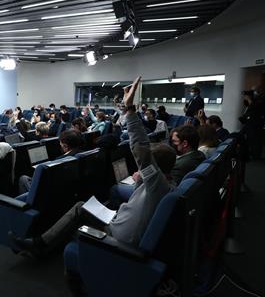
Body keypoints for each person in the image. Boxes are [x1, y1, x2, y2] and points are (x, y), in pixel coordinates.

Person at [12, 77, 177, 258]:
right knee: (82, 205)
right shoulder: (166, 185)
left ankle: (41, 244)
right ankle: (44, 243)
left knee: (79, 209)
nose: (140, 166)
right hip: (118, 221)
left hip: (118, 236)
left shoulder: (157, 184)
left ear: (155, 168)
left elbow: (141, 148)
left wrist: (130, 110)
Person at [18, 129, 84, 194]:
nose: (60, 144)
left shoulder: (59, 161)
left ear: (65, 146)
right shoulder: (83, 154)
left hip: (52, 193)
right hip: (73, 190)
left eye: (60, 142)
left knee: (23, 178)